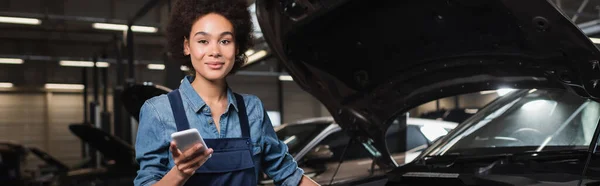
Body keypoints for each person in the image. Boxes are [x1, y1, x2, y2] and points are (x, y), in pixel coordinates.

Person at [133, 0, 320, 186]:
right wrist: (180, 173)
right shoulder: (158, 112)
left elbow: (289, 175)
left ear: (237, 47)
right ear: (187, 46)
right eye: (203, 41)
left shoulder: (252, 109)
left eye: (225, 41)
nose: (215, 51)